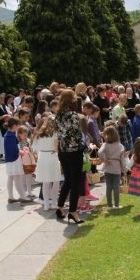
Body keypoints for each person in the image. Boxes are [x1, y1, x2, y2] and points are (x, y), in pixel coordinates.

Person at [55, 89, 86, 224]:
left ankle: (60, 207)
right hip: (74, 150)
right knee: (75, 182)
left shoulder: (58, 115)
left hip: (63, 150)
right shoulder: (74, 115)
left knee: (67, 180)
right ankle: (72, 211)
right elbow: (77, 135)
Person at [31, 117, 62, 211]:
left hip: (42, 156)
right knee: (55, 180)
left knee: (45, 181)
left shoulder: (40, 134)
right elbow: (56, 149)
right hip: (51, 155)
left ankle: (46, 204)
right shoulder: (54, 134)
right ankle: (53, 202)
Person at [4, 117, 33, 204]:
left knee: (11, 177)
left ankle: (11, 196)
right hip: (14, 159)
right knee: (16, 177)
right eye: (18, 125)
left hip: (10, 159)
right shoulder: (11, 136)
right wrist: (21, 152)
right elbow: (14, 150)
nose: (19, 126)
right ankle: (22, 196)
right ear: (14, 125)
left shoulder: (8, 135)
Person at [98, 126, 126, 212]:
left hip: (107, 168)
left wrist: (103, 160)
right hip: (116, 168)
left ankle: (109, 205)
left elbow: (99, 152)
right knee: (116, 187)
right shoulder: (120, 146)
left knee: (108, 187)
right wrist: (124, 171)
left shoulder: (105, 145)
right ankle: (116, 204)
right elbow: (122, 160)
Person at [17, 126, 35, 198]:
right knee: (22, 176)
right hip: (22, 159)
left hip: (28, 159)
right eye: (24, 135)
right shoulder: (18, 142)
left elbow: (31, 149)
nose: (25, 137)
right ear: (19, 134)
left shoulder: (28, 141)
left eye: (26, 135)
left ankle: (29, 191)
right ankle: (23, 191)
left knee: (29, 175)